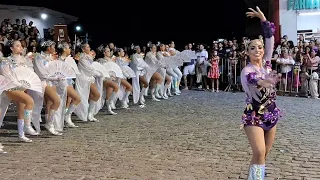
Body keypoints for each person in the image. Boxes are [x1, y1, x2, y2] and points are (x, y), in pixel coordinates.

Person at [240, 7, 281, 179]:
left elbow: (270, 38)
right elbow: (255, 81)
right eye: (252, 48)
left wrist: (263, 19)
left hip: (271, 114)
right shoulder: (247, 71)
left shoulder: (267, 65)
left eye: (259, 47)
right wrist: (266, 81)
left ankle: (253, 177)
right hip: (254, 115)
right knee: (259, 151)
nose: (257, 50)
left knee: (262, 156)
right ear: (247, 52)